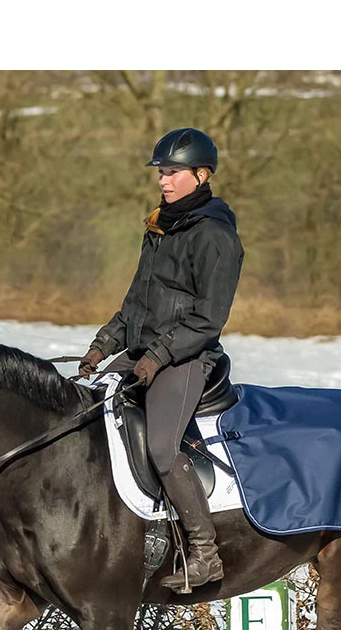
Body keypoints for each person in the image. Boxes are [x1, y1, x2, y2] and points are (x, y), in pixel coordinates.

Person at [78, 127, 244, 591]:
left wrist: (159, 354)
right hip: (142, 353)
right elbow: (136, 303)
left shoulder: (215, 236)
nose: (164, 181)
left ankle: (204, 552)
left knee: (162, 448)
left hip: (188, 358)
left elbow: (209, 319)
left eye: (173, 173)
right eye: (161, 173)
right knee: (84, 413)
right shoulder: (158, 227)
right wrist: (102, 345)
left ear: (202, 175)